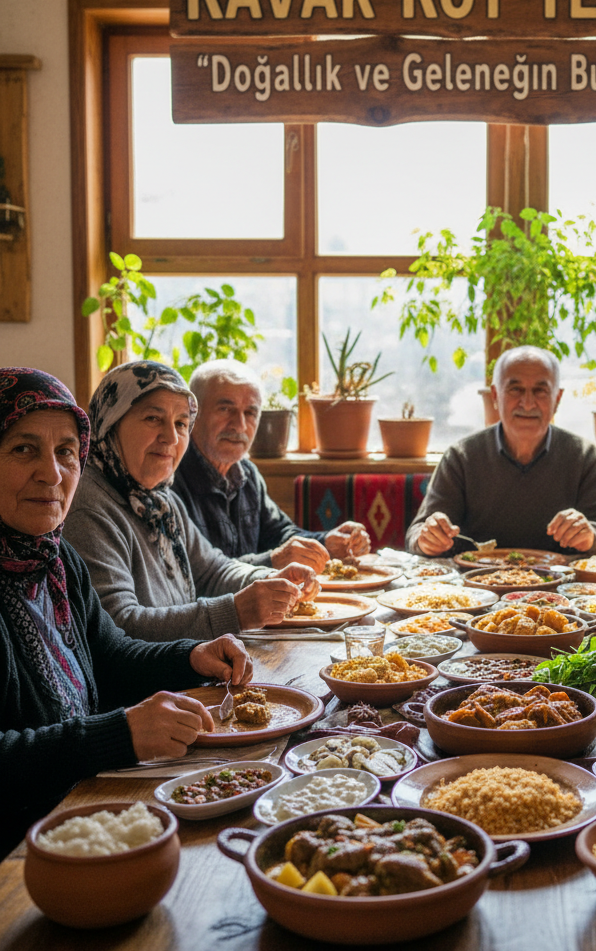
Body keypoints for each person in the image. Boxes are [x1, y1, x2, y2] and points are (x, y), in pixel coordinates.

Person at [0, 367, 255, 854]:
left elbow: (110, 655)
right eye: (23, 449)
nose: (51, 474)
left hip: (83, 810)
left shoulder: (53, 560)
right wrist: (119, 735)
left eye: (66, 452)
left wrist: (191, 657)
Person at [64, 361, 317, 641]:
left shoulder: (160, 500)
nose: (171, 437)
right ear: (111, 422)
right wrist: (236, 612)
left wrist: (268, 579)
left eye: (181, 423)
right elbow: (119, 627)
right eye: (153, 418)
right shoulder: (88, 505)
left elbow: (211, 571)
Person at [406, 346, 596, 556]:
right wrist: (427, 540)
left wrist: (592, 536)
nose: (528, 403)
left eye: (540, 391)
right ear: (495, 396)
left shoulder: (585, 457)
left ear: (557, 399)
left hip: (565, 591)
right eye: (515, 389)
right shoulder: (461, 457)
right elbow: (416, 535)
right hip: (475, 589)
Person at [172, 360, 370, 571]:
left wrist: (327, 542)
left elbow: (280, 535)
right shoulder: (171, 480)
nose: (240, 425)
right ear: (192, 414)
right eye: (225, 409)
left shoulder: (246, 474)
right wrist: (272, 560)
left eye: (250, 413)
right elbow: (196, 575)